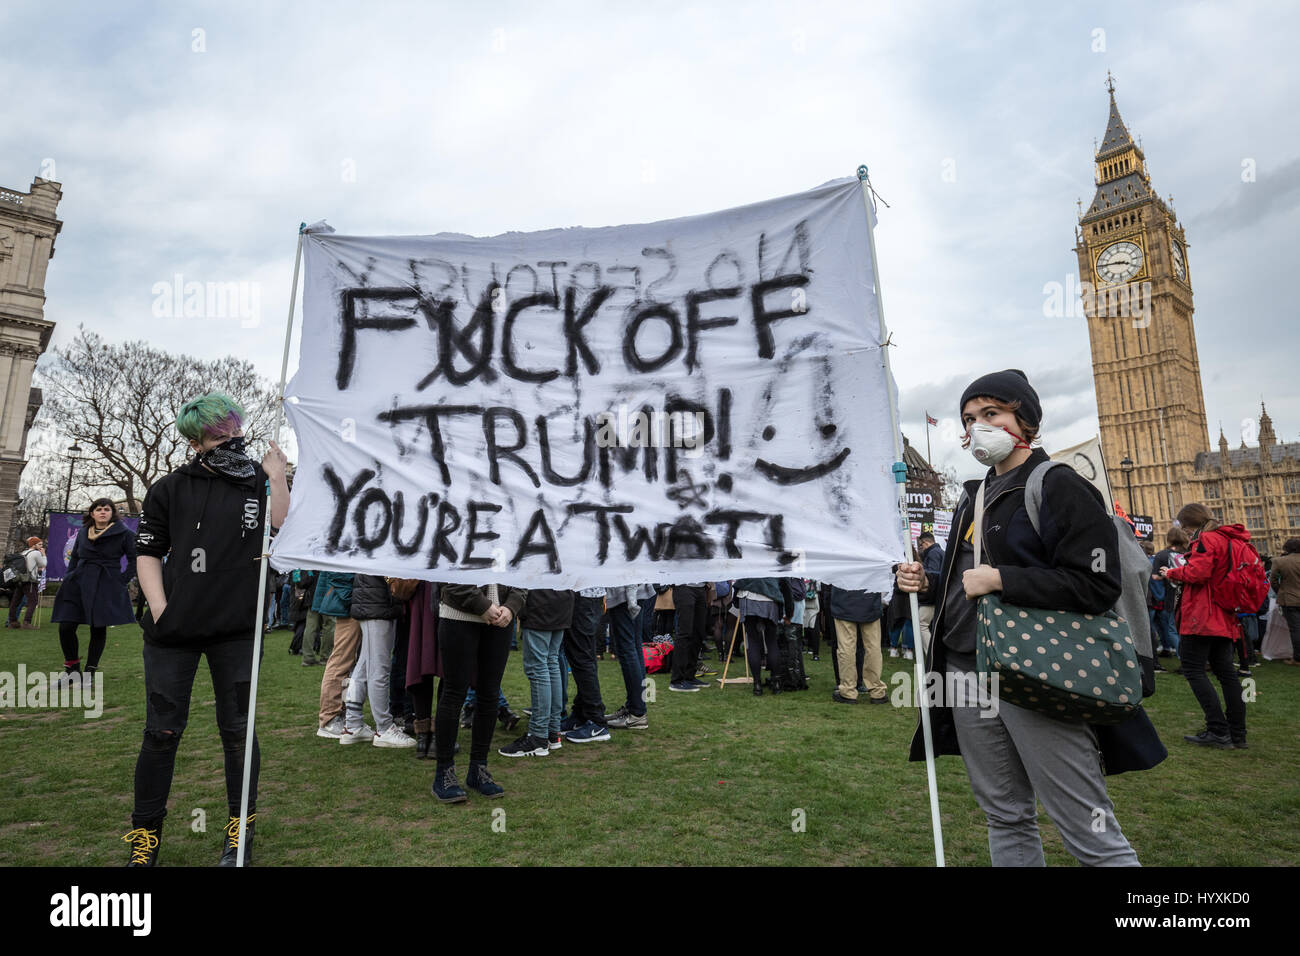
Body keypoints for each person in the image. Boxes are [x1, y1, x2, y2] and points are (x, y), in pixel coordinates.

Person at [899, 369, 1163, 866]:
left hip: (1035, 669)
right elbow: (964, 582)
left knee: (1088, 826)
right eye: (969, 418)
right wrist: (927, 583)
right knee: (1005, 814)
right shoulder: (972, 495)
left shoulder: (1060, 485)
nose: (979, 427)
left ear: (1026, 419)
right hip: (964, 670)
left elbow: (1097, 584)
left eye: (991, 414)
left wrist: (1004, 580)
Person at [123, 392, 288, 867]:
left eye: (232, 426)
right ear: (197, 439)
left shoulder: (257, 479)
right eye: (217, 431)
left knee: (238, 730)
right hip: (174, 631)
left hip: (237, 628)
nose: (229, 436)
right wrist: (160, 608)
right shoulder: (170, 488)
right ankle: (145, 837)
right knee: (161, 732)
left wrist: (277, 477)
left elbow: (282, 526)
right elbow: (149, 551)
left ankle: (239, 835)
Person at [1159, 503, 1252, 749]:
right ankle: (1237, 733)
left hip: (1202, 615)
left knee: (1193, 669)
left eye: (1185, 527)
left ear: (1190, 524)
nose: (1186, 533)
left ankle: (1218, 730)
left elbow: (1198, 574)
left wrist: (1173, 573)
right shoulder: (1230, 539)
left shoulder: (1207, 540)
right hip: (1224, 615)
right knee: (1227, 674)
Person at [431, 583, 526, 803]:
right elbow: (450, 572)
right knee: (454, 693)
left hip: (501, 619)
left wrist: (511, 607)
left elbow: (522, 572)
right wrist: (482, 605)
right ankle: (444, 773)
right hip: (458, 615)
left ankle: (478, 769)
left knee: (490, 695)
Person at [51, 502, 136, 688]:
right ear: (92, 513)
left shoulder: (125, 533)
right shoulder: (83, 532)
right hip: (78, 582)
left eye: (107, 509)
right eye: (99, 509)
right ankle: (72, 672)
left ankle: (89, 675)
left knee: (98, 627)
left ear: (112, 513)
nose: (103, 512)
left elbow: (134, 559)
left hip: (105, 582)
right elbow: (74, 557)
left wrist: (121, 580)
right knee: (66, 626)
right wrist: (68, 579)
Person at [340, 574, 415, 748]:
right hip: (377, 603)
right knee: (378, 670)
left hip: (372, 601)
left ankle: (352, 725)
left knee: (363, 666)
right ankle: (384, 728)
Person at [501, 588, 574, 758]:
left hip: (542, 601)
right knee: (550, 662)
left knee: (539, 667)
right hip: (562, 600)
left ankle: (538, 736)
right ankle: (552, 732)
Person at [313, 572, 359, 738]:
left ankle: (340, 715)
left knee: (348, 662)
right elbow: (337, 573)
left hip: (350, 601)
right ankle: (329, 719)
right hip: (348, 604)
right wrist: (352, 598)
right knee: (341, 661)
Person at [732, 576, 795, 696]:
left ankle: (757, 685)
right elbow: (786, 584)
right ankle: (776, 683)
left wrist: (735, 597)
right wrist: (789, 610)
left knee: (753, 641)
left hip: (748, 596)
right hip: (770, 597)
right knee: (771, 642)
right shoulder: (777, 557)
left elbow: (740, 575)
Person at [827, 586, 886, 703]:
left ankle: (848, 690)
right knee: (873, 647)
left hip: (844, 598)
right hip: (870, 598)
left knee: (846, 646)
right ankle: (877, 691)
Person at [1148, 526, 1189, 667]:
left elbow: (1155, 576)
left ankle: (1185, 661)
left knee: (1172, 628)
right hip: (1190, 597)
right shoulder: (1189, 553)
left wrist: (1167, 575)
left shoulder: (1162, 555)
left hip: (1173, 597)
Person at [1268, 538, 1300, 665]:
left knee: (1296, 629)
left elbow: (1273, 580)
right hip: (1290, 599)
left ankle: (1298, 658)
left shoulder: (1279, 561)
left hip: (1289, 600)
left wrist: (1281, 591)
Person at [7, 536, 47, 630]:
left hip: (20, 580)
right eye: (39, 544)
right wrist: (44, 554)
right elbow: (43, 564)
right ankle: (27, 623)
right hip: (30, 581)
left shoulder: (24, 552)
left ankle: (12, 622)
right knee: (33, 601)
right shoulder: (36, 553)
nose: (41, 546)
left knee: (15, 601)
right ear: (34, 545)